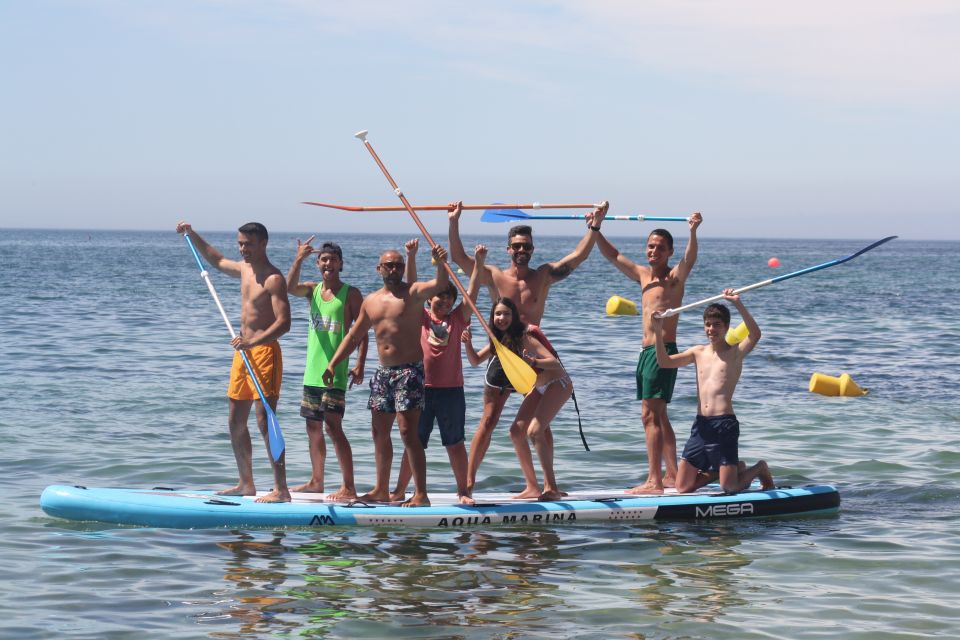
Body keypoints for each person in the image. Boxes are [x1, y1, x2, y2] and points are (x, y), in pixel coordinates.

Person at [448, 200, 609, 493]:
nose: (522, 250)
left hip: (534, 358)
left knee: (539, 425)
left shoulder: (543, 276)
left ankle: (547, 485)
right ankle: (467, 484)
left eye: (527, 246)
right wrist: (454, 221)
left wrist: (595, 225)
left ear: (532, 249)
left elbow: (578, 257)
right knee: (488, 420)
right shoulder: (495, 275)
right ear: (509, 249)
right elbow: (458, 258)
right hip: (503, 357)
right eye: (517, 246)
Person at [323, 243, 450, 507]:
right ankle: (381, 489)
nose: (394, 269)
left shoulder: (413, 293)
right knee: (379, 431)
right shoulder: (371, 301)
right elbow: (353, 335)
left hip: (409, 371)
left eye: (398, 265)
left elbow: (439, 285)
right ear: (379, 268)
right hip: (383, 373)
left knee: (407, 432)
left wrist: (439, 262)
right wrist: (333, 363)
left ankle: (421, 494)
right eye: (389, 265)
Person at [175, 221, 292, 503]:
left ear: (263, 243)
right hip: (242, 353)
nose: (242, 249)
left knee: (265, 421)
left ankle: (281, 489)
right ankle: (246, 483)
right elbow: (216, 259)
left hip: (264, 353)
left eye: (248, 244)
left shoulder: (273, 278)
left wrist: (253, 341)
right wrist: (192, 234)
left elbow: (284, 324)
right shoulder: (243, 269)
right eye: (240, 243)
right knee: (235, 420)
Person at [594, 213, 703, 494]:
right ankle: (671, 474)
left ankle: (654, 481)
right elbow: (614, 256)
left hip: (662, 351)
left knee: (649, 416)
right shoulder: (643, 276)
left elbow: (690, 260)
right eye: (650, 246)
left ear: (669, 252)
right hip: (645, 353)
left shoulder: (674, 279)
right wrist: (596, 227)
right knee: (659, 415)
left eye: (659, 247)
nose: (653, 251)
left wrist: (692, 231)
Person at [390, 238, 485, 505]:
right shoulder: (420, 317)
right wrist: (411, 255)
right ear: (429, 298)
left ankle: (464, 491)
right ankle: (399, 491)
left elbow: (473, 291)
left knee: (454, 444)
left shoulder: (457, 318)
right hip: (420, 389)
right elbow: (411, 288)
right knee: (414, 444)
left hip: (451, 392)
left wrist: (478, 264)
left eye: (448, 298)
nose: (443, 302)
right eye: (439, 297)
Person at [651, 290, 774, 493]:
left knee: (730, 488)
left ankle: (759, 468)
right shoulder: (697, 352)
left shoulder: (735, 353)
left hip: (723, 424)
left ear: (726, 327)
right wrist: (657, 330)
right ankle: (724, 471)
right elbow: (664, 362)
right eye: (708, 325)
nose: (711, 329)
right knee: (682, 487)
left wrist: (737, 303)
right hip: (701, 425)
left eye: (717, 325)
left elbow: (755, 334)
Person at [463, 297, 572, 501]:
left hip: (558, 383)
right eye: (498, 314)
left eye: (506, 313)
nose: (502, 318)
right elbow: (476, 361)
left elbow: (555, 364)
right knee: (515, 432)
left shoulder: (524, 337)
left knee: (535, 431)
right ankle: (532, 487)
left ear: (513, 317)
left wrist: (534, 361)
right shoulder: (499, 341)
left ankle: (552, 488)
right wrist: (468, 344)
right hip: (538, 387)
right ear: (492, 317)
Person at [286, 237, 367, 500]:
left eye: (333, 260)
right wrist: (299, 258)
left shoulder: (351, 293)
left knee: (333, 426)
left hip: (336, 373)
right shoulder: (312, 290)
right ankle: (316, 481)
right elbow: (289, 288)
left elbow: (362, 332)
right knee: (313, 427)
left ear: (341, 264)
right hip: (313, 371)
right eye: (323, 260)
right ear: (318, 264)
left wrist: (359, 364)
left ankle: (349, 486)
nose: (327, 263)